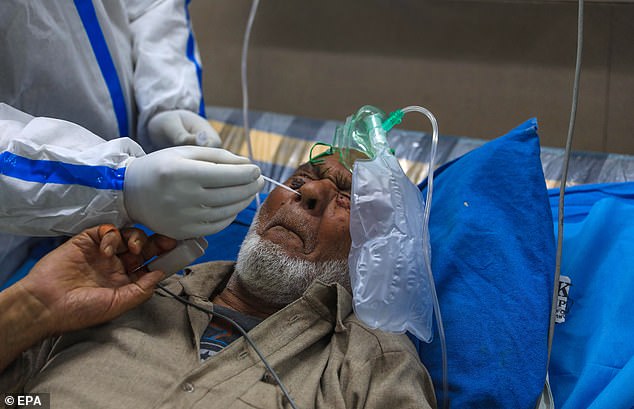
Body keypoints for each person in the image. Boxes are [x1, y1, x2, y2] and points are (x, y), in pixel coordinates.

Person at [0, 153, 436, 408]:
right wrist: (33, 307)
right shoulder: (117, 292)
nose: (307, 193)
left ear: (376, 257)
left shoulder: (370, 361)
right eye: (299, 180)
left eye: (346, 198)